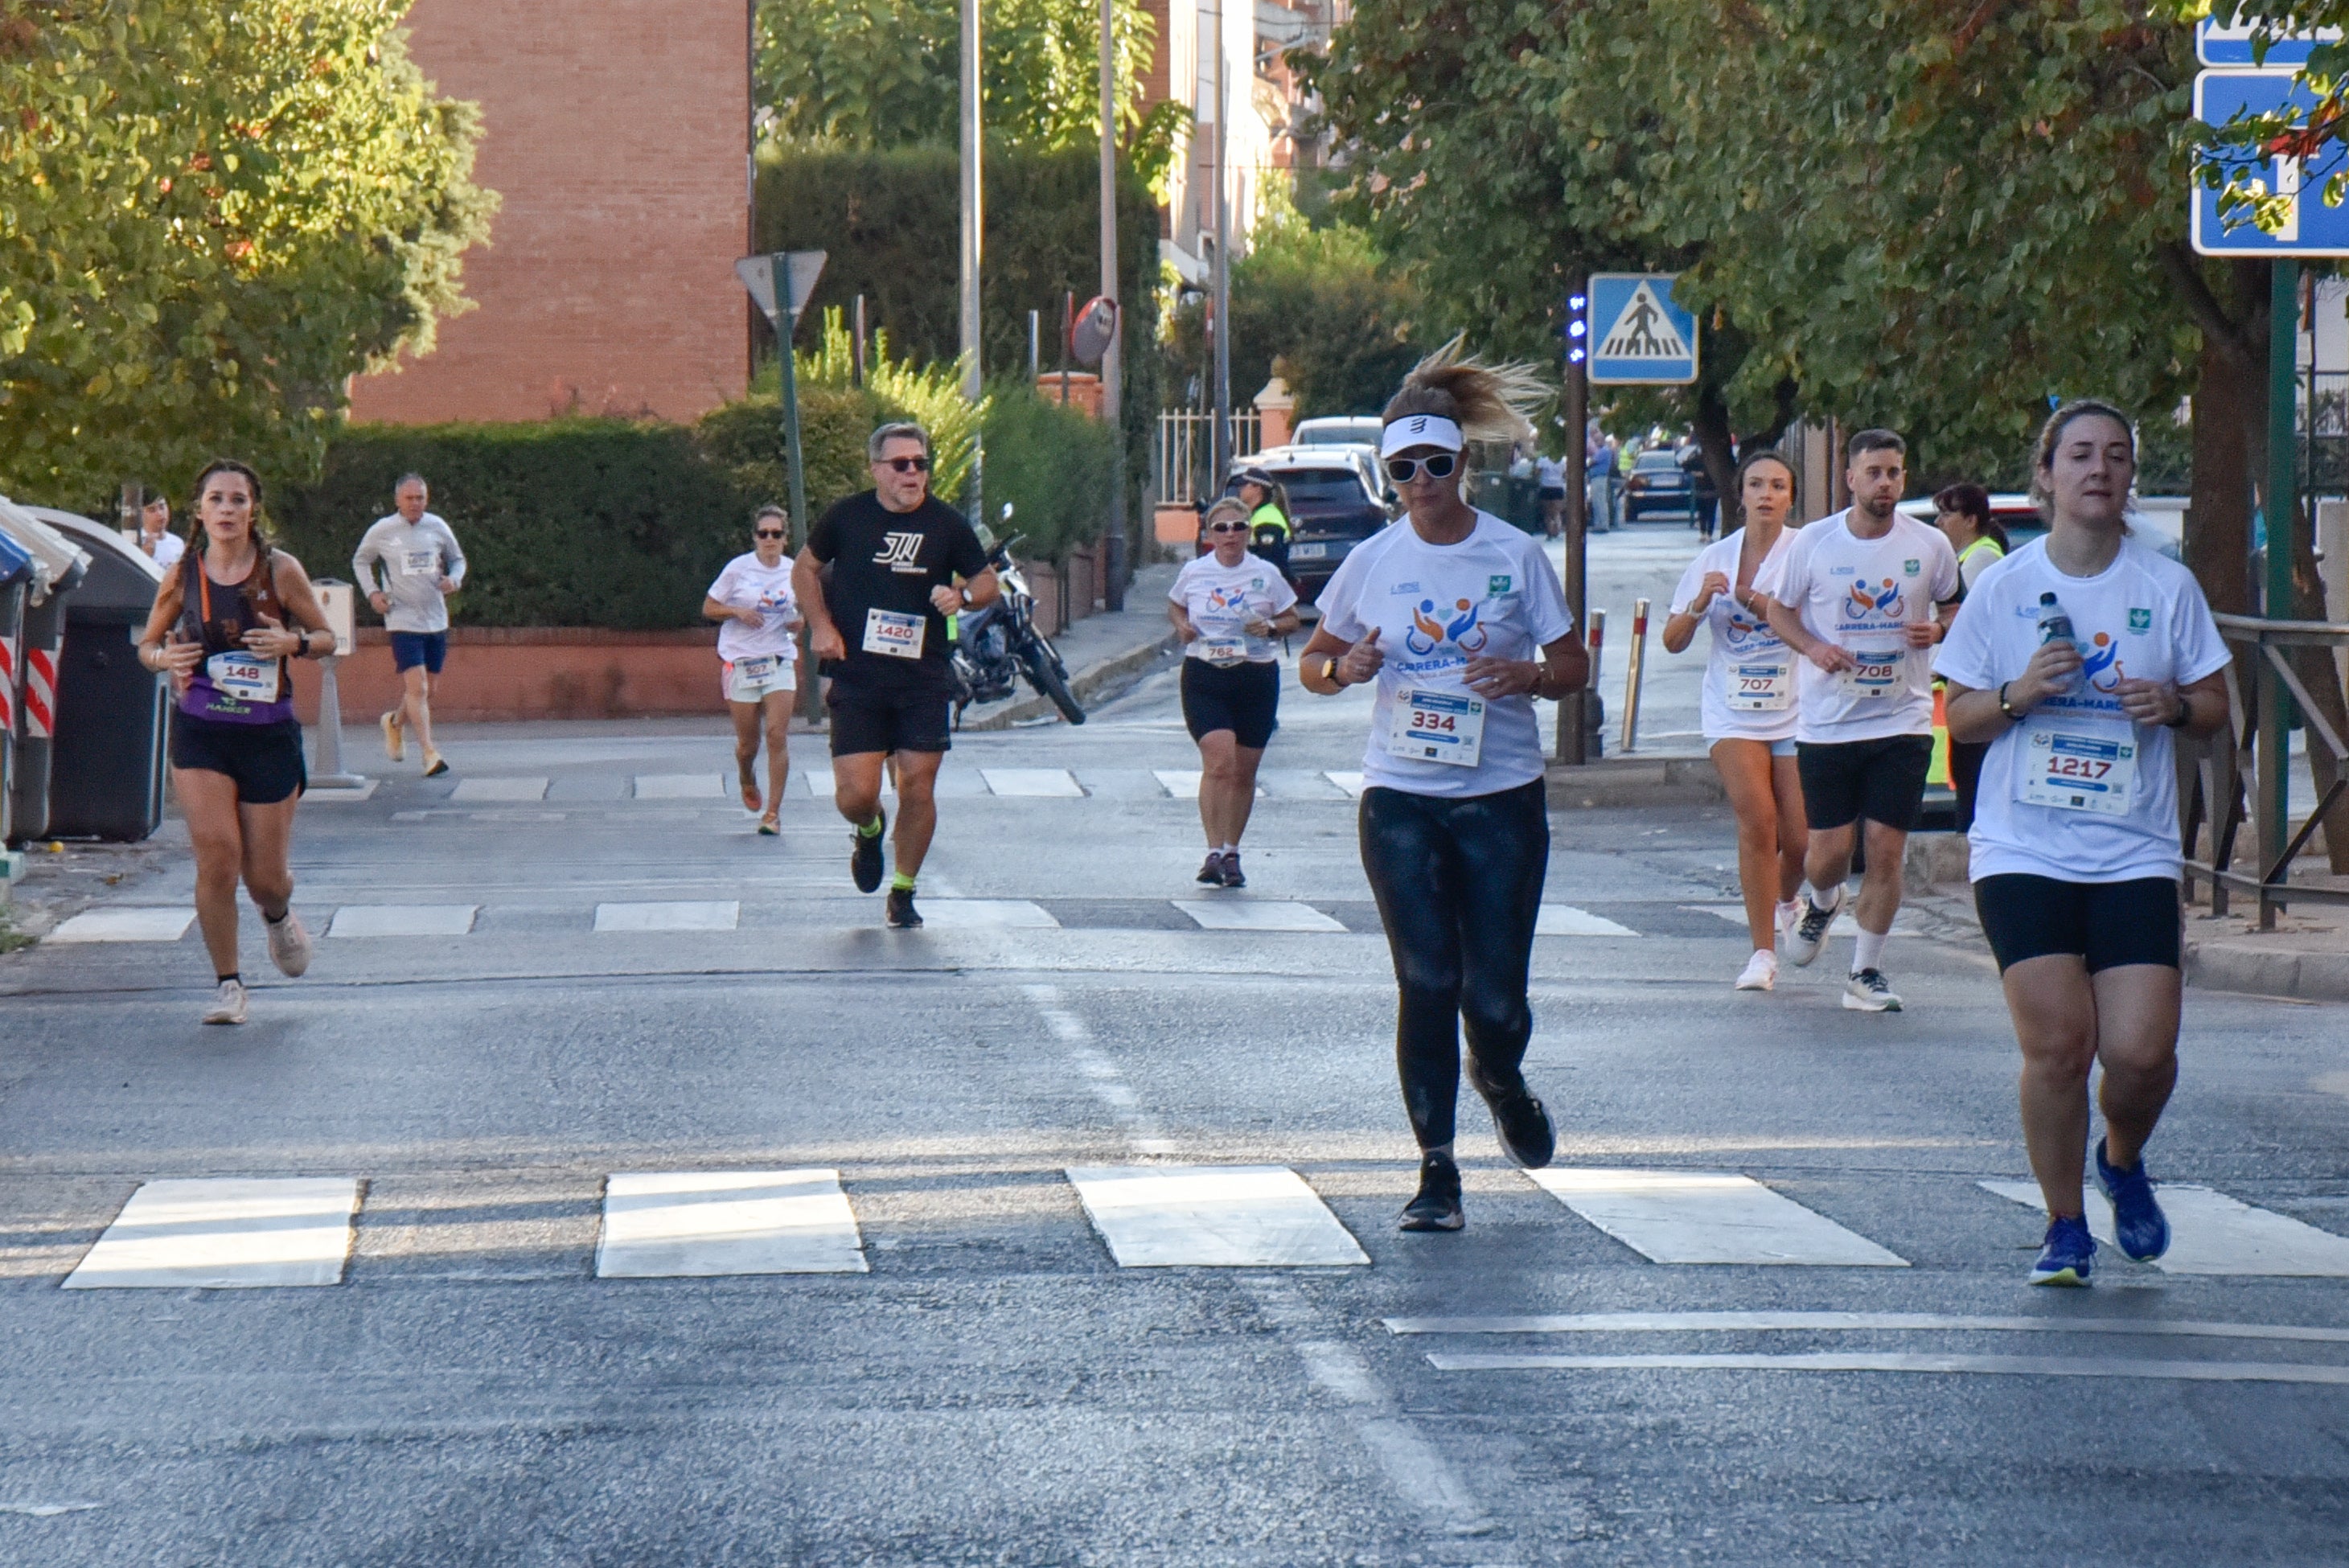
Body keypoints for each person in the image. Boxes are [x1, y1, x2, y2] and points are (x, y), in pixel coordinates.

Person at [1934, 400, 2230, 1286]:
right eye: (2079, 456)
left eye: (2114, 456)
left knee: (2140, 1054)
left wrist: (2173, 707)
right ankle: (2063, 1225)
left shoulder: (2163, 586)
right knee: (2059, 1046)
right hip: (2022, 847)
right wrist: (2019, 692)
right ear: (2046, 474)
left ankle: (2121, 1159)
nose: (2097, 469)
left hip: (2131, 847)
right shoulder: (2002, 586)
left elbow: (2215, 716)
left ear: (2128, 475)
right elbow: (1959, 718)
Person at [1297, 339, 1591, 1233]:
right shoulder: (1373, 561)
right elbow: (1312, 662)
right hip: (1399, 799)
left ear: (1462, 463)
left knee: (1493, 1000)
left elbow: (1571, 662)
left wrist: (1529, 678)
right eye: (1402, 468)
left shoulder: (1513, 555)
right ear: (1387, 475)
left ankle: (1498, 1076)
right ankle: (1435, 1169)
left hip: (1500, 797)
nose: (1419, 481)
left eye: (1434, 463)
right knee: (1426, 979)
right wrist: (1341, 668)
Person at [1764, 429, 1960, 1012]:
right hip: (1828, 722)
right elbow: (1778, 610)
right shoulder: (1815, 544)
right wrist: (1813, 648)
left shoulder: (1928, 544)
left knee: (1884, 848)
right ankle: (1822, 904)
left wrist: (1940, 629)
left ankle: (1864, 972)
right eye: (1873, 472)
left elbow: (1953, 603)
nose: (1885, 484)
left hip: (1901, 719)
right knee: (1825, 853)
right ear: (1850, 479)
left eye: (1894, 472)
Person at [134, 461, 335, 1025]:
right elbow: (146, 645)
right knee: (217, 857)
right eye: (216, 499)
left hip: (267, 734)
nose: (227, 509)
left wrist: (290, 642)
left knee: (264, 878)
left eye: (238, 500)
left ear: (253, 510)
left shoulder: (280, 571)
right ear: (198, 510)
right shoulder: (181, 575)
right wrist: (163, 658)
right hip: (202, 730)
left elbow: (328, 638)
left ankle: (277, 915)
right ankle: (229, 986)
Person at [794, 421, 999, 929]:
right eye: (901, 464)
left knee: (918, 784)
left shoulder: (947, 525)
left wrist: (963, 597)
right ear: (877, 469)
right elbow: (803, 569)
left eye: (921, 464)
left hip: (923, 675)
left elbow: (986, 580)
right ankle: (868, 831)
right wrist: (822, 627)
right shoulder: (847, 517)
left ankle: (904, 890)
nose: (913, 473)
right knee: (856, 794)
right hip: (858, 674)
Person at [1661, 449, 1808, 991]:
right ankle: (1761, 955)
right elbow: (1672, 641)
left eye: (1776, 485)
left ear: (1790, 495)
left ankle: (1787, 900)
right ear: (1741, 494)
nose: (1765, 494)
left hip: (1794, 707)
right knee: (1756, 820)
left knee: (1800, 840)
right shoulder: (1713, 558)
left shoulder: (1805, 552)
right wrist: (1701, 601)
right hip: (1731, 709)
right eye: (1755, 484)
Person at [1169, 497, 1302, 887]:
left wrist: (1273, 628)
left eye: (1239, 527)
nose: (1231, 535)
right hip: (1205, 675)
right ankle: (1212, 852)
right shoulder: (1195, 572)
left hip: (1255, 676)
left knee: (1244, 771)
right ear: (1210, 535)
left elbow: (1293, 617)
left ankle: (1232, 851)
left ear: (1249, 532)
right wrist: (1183, 627)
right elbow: (1176, 605)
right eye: (1222, 528)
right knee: (1220, 762)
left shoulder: (1266, 573)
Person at [353, 474, 466, 778]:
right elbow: (361, 561)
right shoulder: (383, 530)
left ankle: (394, 722)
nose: (415, 503)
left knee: (429, 690)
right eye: (409, 498)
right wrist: (373, 593)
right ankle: (430, 753)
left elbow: (458, 559)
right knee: (417, 687)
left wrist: (453, 579)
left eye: (420, 498)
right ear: (397, 501)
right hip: (402, 618)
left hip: (435, 618)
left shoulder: (437, 527)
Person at [703, 504, 802, 835]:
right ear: (755, 538)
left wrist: (799, 622)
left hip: (778, 658)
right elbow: (709, 607)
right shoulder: (738, 569)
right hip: (742, 661)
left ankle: (772, 814)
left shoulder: (794, 570)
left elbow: (802, 612)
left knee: (777, 734)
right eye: (764, 534)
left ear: (786, 539)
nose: (770, 540)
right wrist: (737, 611)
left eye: (776, 534)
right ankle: (746, 774)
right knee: (749, 743)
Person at [1932, 482, 2010, 831]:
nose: (1939, 522)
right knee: (1962, 772)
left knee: (1971, 778)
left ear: (1970, 520)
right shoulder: (1965, 556)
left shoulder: (1982, 556)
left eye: (1947, 514)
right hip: (1958, 687)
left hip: (1977, 687)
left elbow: (1969, 623)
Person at [1235, 467, 1292, 585]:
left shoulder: (1267, 517)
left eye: (1245, 485)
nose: (1240, 489)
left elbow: (1270, 561)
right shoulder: (1257, 514)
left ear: (1258, 488)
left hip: (1266, 586)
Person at [134, 493, 185, 569]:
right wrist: (144, 556)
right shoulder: (135, 542)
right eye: (152, 510)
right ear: (141, 514)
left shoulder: (178, 543)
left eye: (162, 507)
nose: (160, 513)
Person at [1536, 453, 1567, 538]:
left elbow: (1537, 472)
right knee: (1556, 511)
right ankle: (1556, 530)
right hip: (1558, 487)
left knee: (1547, 512)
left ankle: (1550, 532)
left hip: (1546, 487)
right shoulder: (1562, 461)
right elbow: (1565, 475)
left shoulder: (1543, 460)